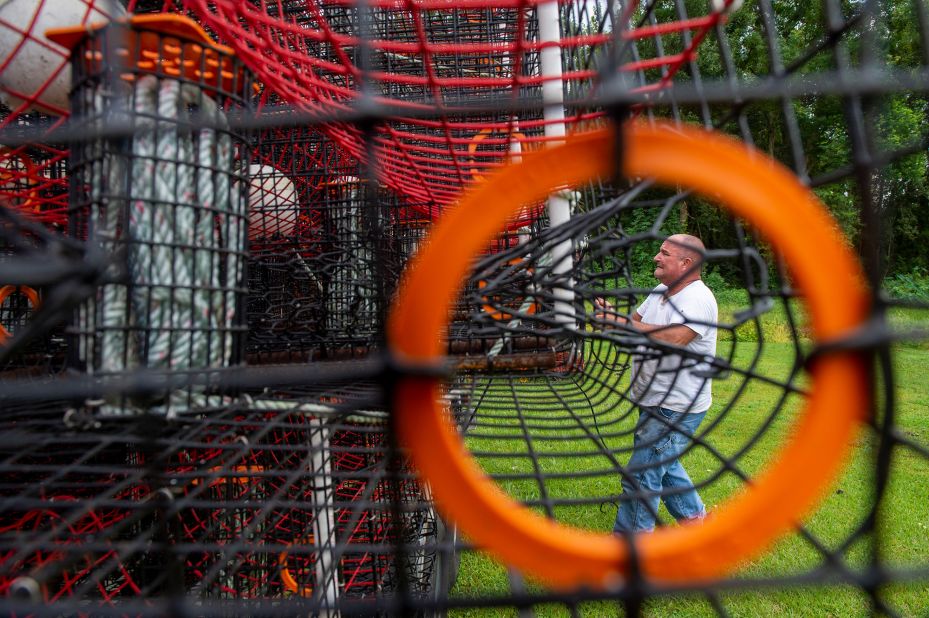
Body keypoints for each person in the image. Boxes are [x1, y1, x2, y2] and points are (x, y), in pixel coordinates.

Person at [594, 234, 718, 534]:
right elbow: (636, 322)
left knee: (642, 475)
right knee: (664, 464)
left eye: (664, 253)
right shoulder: (661, 290)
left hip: (676, 406)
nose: (656, 257)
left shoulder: (699, 300)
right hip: (654, 399)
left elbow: (674, 338)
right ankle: (695, 521)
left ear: (686, 263)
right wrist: (613, 318)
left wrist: (624, 324)